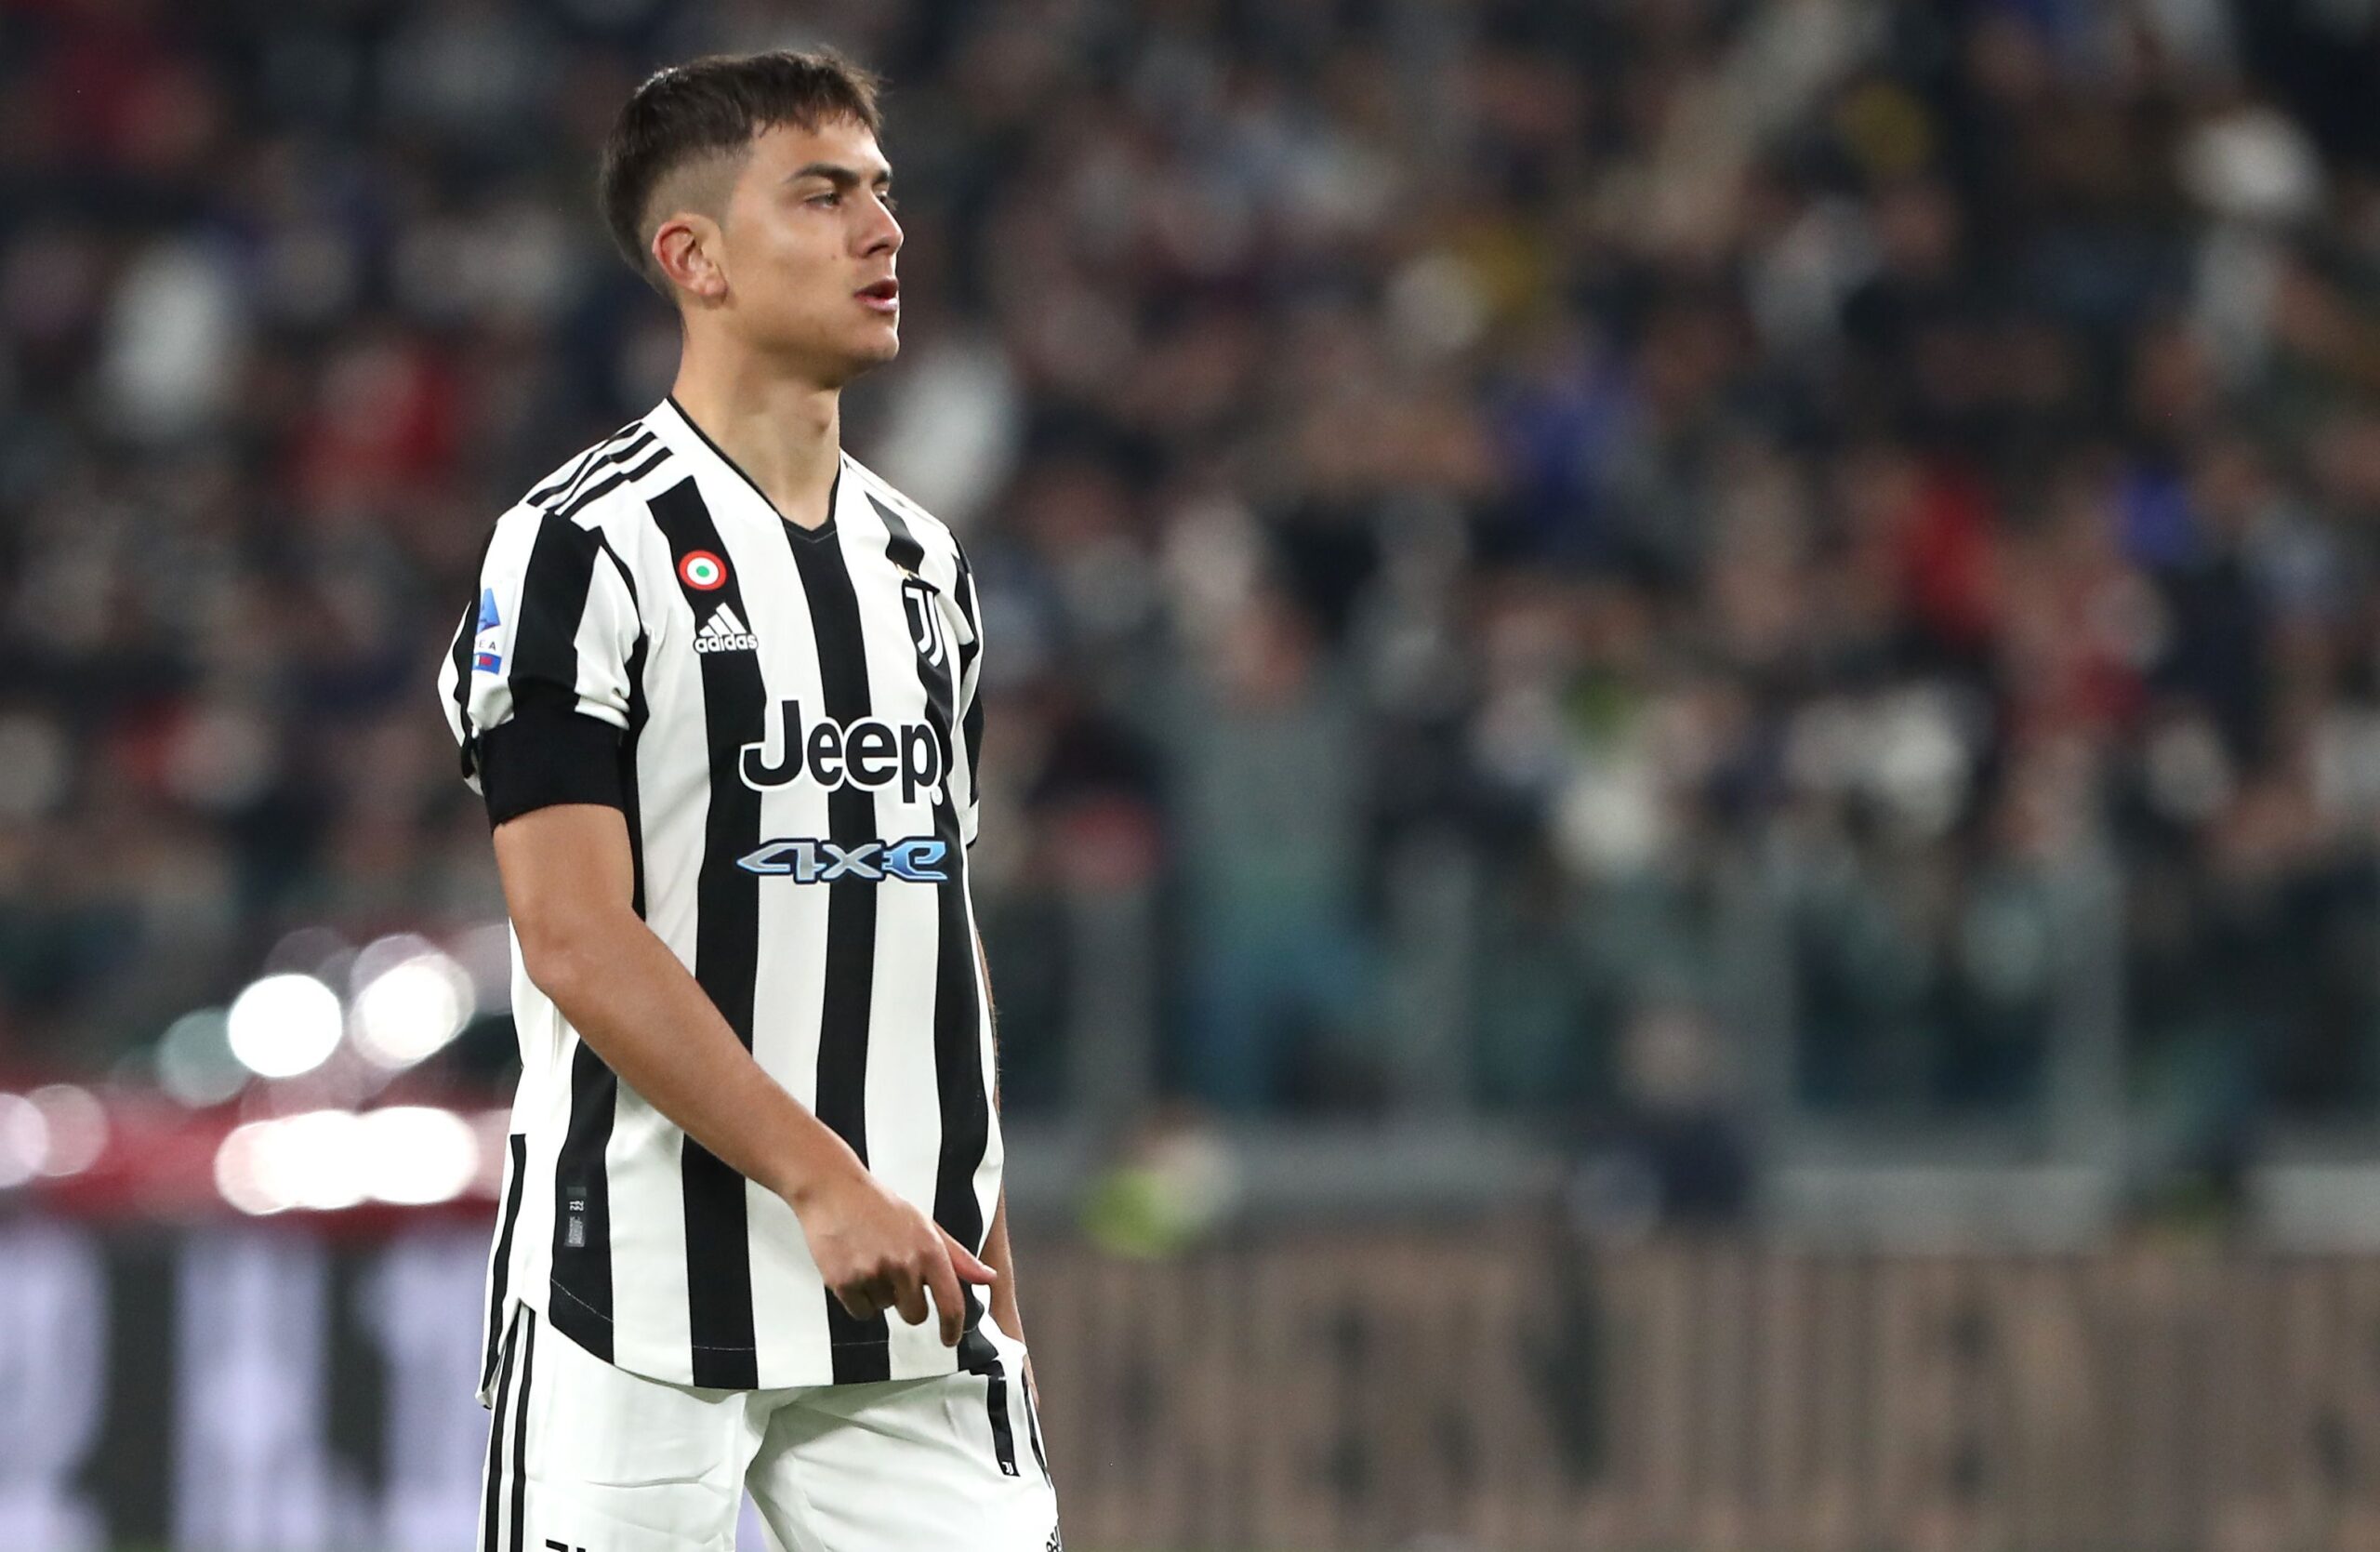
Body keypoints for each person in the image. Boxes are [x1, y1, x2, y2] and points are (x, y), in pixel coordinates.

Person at [436, 49, 1058, 1552]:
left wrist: (989, 1249)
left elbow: (933, 926)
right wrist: (819, 1180)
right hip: (635, 1298)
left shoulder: (924, 567)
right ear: (694, 257)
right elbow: (572, 933)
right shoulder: (578, 545)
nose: (883, 230)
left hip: (907, 1296)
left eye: (882, 193)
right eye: (823, 195)